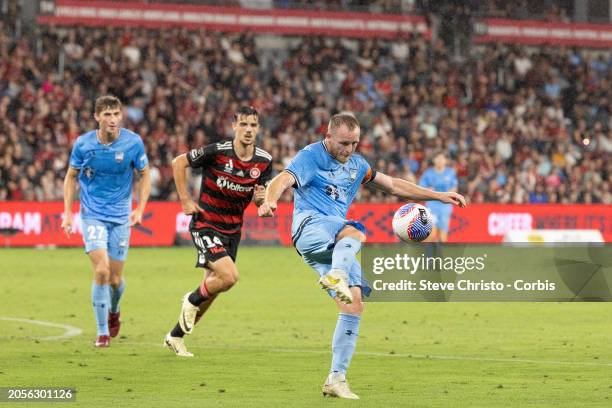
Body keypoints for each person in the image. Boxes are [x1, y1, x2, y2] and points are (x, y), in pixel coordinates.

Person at [258, 112, 465, 399]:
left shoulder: (357, 166)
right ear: (328, 137)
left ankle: (336, 378)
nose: (349, 149)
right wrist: (270, 200)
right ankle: (337, 276)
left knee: (354, 305)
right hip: (310, 228)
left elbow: (393, 185)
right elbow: (282, 180)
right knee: (356, 231)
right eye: (343, 143)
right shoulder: (311, 156)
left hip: (331, 246)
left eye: (354, 143)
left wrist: (438, 196)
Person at [164, 106, 272, 357]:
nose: (248, 130)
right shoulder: (217, 152)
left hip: (233, 230)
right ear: (234, 125)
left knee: (214, 288)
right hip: (206, 223)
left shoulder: (264, 161)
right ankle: (190, 300)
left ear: (258, 128)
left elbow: (258, 199)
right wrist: (185, 200)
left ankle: (175, 336)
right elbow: (178, 162)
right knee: (229, 277)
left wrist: (260, 201)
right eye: (243, 124)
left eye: (253, 125)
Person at [62, 95, 151, 348]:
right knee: (101, 271)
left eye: (116, 114)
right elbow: (70, 177)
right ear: (97, 117)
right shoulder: (83, 144)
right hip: (92, 215)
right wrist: (68, 212)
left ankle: (114, 310)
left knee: (114, 280)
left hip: (121, 217)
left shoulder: (133, 143)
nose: (113, 119)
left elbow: (144, 175)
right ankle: (102, 332)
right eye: (108, 115)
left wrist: (140, 208)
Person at [419, 152, 458, 242]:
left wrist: (447, 194)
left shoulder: (450, 172)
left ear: (445, 161)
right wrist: (430, 191)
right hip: (432, 207)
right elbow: (422, 188)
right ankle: (427, 255)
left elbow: (454, 188)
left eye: (442, 158)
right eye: (438, 158)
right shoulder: (428, 173)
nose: (440, 160)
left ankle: (440, 256)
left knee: (443, 237)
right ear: (434, 160)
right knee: (430, 235)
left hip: (445, 207)